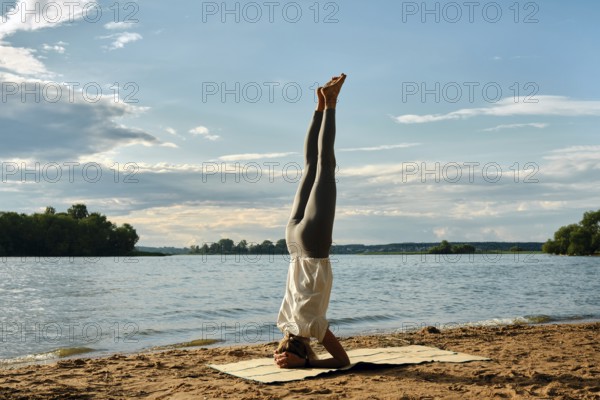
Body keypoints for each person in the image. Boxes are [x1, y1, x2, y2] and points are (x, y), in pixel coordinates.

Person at [273, 74, 350, 369]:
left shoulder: (312, 327)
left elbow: (342, 362)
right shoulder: (284, 321)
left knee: (325, 167)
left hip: (313, 247)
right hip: (292, 243)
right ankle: (318, 106)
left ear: (309, 350)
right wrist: (284, 355)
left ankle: (330, 103)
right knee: (309, 167)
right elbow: (287, 343)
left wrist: (306, 365)